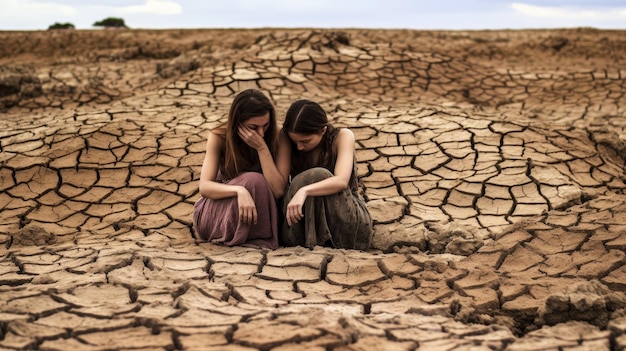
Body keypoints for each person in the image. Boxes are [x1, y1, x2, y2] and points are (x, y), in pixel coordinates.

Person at [193, 89, 290, 249]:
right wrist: (240, 191)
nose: (261, 133)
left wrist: (262, 149)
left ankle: (254, 238)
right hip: (221, 211)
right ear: (237, 123)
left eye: (265, 125)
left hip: (262, 212)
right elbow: (205, 187)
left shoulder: (279, 136)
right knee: (253, 180)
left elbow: (279, 190)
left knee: (256, 181)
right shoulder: (219, 136)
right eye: (253, 127)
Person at [280, 99, 373, 250]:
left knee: (318, 175)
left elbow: (341, 181)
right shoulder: (286, 138)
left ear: (322, 131)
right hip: (300, 220)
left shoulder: (342, 137)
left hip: (344, 216)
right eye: (294, 141)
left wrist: (304, 191)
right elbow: (279, 185)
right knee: (306, 178)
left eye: (305, 141)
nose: (299, 147)